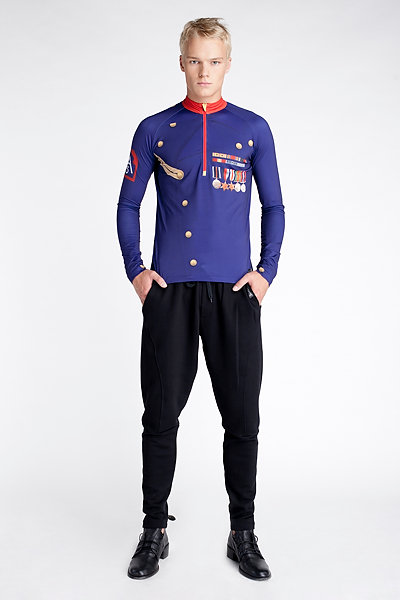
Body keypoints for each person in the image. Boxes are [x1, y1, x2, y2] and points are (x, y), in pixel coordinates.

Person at [116, 17, 285, 581]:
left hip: (235, 293)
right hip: (170, 293)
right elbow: (127, 204)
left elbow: (274, 206)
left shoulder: (252, 129)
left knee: (242, 417)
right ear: (181, 62)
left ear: (228, 64)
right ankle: (153, 529)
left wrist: (266, 272)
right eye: (195, 60)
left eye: (214, 61)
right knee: (160, 415)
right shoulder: (155, 129)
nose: (204, 71)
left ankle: (243, 531)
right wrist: (138, 272)